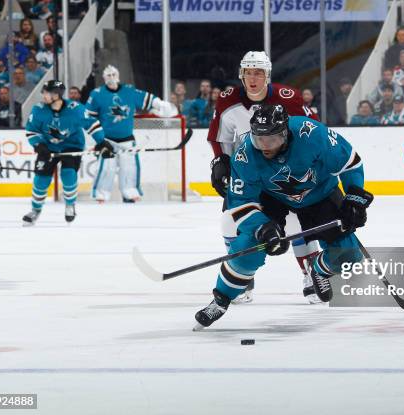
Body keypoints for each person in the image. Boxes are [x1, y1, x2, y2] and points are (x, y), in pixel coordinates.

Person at [194, 104, 372, 329]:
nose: (265, 147)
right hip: (272, 198)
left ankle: (318, 268)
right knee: (248, 245)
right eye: (260, 140)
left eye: (271, 140)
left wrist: (354, 197)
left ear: (285, 133)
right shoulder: (244, 156)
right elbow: (240, 203)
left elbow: (350, 163)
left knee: (348, 256)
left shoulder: (312, 133)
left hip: (320, 193)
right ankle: (220, 300)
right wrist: (262, 227)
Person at [207, 51, 321, 305]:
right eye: (248, 72)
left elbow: (313, 132)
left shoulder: (288, 98)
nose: (253, 78)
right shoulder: (228, 100)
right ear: (241, 75)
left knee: (295, 223)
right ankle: (241, 275)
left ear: (267, 75)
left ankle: (311, 273)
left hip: (283, 173)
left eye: (258, 72)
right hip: (249, 175)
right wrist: (221, 163)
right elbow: (220, 139)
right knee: (229, 222)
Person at [22, 80, 114, 226]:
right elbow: (31, 130)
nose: (43, 95)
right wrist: (39, 145)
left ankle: (70, 205)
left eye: (46, 92)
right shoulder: (38, 109)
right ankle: (35, 210)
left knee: (68, 174)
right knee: (41, 180)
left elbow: (92, 124)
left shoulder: (75, 109)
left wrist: (102, 142)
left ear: (56, 95)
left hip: (72, 145)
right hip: (48, 147)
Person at [86, 65, 175, 203]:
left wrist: (160, 104)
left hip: (127, 139)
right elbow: (89, 117)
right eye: (108, 75)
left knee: (130, 167)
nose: (111, 78)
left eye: (113, 74)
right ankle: (101, 194)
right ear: (103, 78)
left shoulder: (129, 91)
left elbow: (148, 98)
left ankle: (130, 191)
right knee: (106, 168)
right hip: (107, 140)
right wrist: (96, 140)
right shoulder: (96, 94)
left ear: (118, 75)